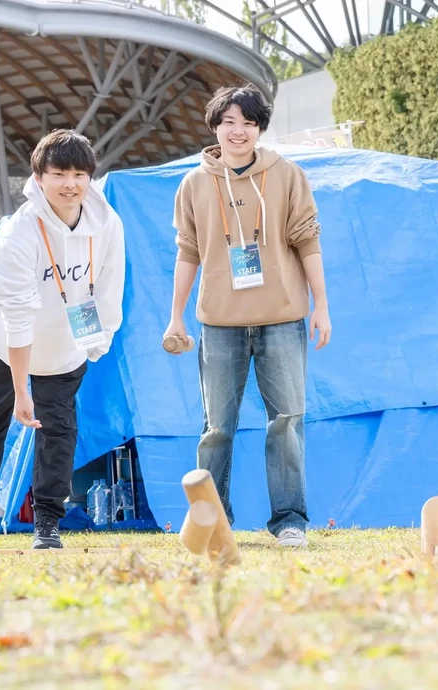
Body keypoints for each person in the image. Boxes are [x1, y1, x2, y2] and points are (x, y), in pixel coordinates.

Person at [164, 83, 331, 549]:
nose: (238, 131)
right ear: (215, 127)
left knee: (287, 421)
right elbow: (187, 252)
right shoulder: (194, 183)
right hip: (217, 323)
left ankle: (290, 520)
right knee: (217, 427)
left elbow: (308, 241)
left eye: (249, 122)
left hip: (282, 317)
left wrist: (322, 306)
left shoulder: (288, 174)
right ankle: (212, 521)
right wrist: (175, 317)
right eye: (229, 122)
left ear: (260, 129)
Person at [0, 129, 125, 551]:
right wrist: (20, 391)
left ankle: (48, 521)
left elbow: (108, 287)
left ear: (90, 177)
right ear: (39, 179)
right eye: (59, 174)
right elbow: (17, 319)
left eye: (78, 174)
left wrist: (96, 342)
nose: (70, 184)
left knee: (59, 429)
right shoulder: (18, 233)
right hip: (4, 341)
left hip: (66, 342)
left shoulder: (107, 224)